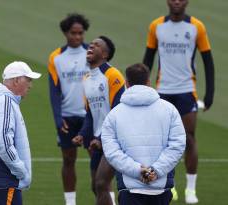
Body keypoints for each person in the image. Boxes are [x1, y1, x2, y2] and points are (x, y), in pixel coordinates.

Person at [142, 0, 215, 203]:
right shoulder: (156, 26)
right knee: (162, 140)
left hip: (186, 91)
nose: (176, 2)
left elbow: (208, 61)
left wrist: (209, 94)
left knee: (189, 138)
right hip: (162, 90)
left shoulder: (196, 27)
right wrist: (142, 88)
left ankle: (190, 190)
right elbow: (147, 60)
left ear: (186, 2)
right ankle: (168, 185)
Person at [101, 63, 186, 205]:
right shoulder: (169, 110)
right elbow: (177, 145)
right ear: (148, 82)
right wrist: (155, 171)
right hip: (161, 187)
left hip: (129, 189)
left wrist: (138, 171)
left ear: (127, 83)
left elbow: (112, 152)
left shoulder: (114, 114)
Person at [72, 36, 125, 205]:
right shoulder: (87, 79)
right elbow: (90, 114)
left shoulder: (112, 75)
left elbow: (118, 111)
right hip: (98, 140)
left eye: (96, 45)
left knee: (102, 183)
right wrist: (82, 134)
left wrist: (102, 138)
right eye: (91, 44)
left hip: (113, 139)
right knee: (96, 186)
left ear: (105, 54)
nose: (91, 46)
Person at [0, 61, 41, 205]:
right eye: (28, 80)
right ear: (16, 81)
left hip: (2, 178)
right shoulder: (5, 101)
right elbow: (2, 140)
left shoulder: (3, 100)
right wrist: (20, 169)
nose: (30, 85)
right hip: (5, 178)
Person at [48, 13, 90, 205]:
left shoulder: (92, 52)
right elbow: (54, 91)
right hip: (67, 116)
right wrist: (58, 118)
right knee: (68, 160)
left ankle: (104, 196)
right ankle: (70, 201)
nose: (77, 37)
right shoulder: (56, 57)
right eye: (73, 33)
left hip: (90, 116)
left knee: (97, 159)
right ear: (66, 33)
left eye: (81, 33)